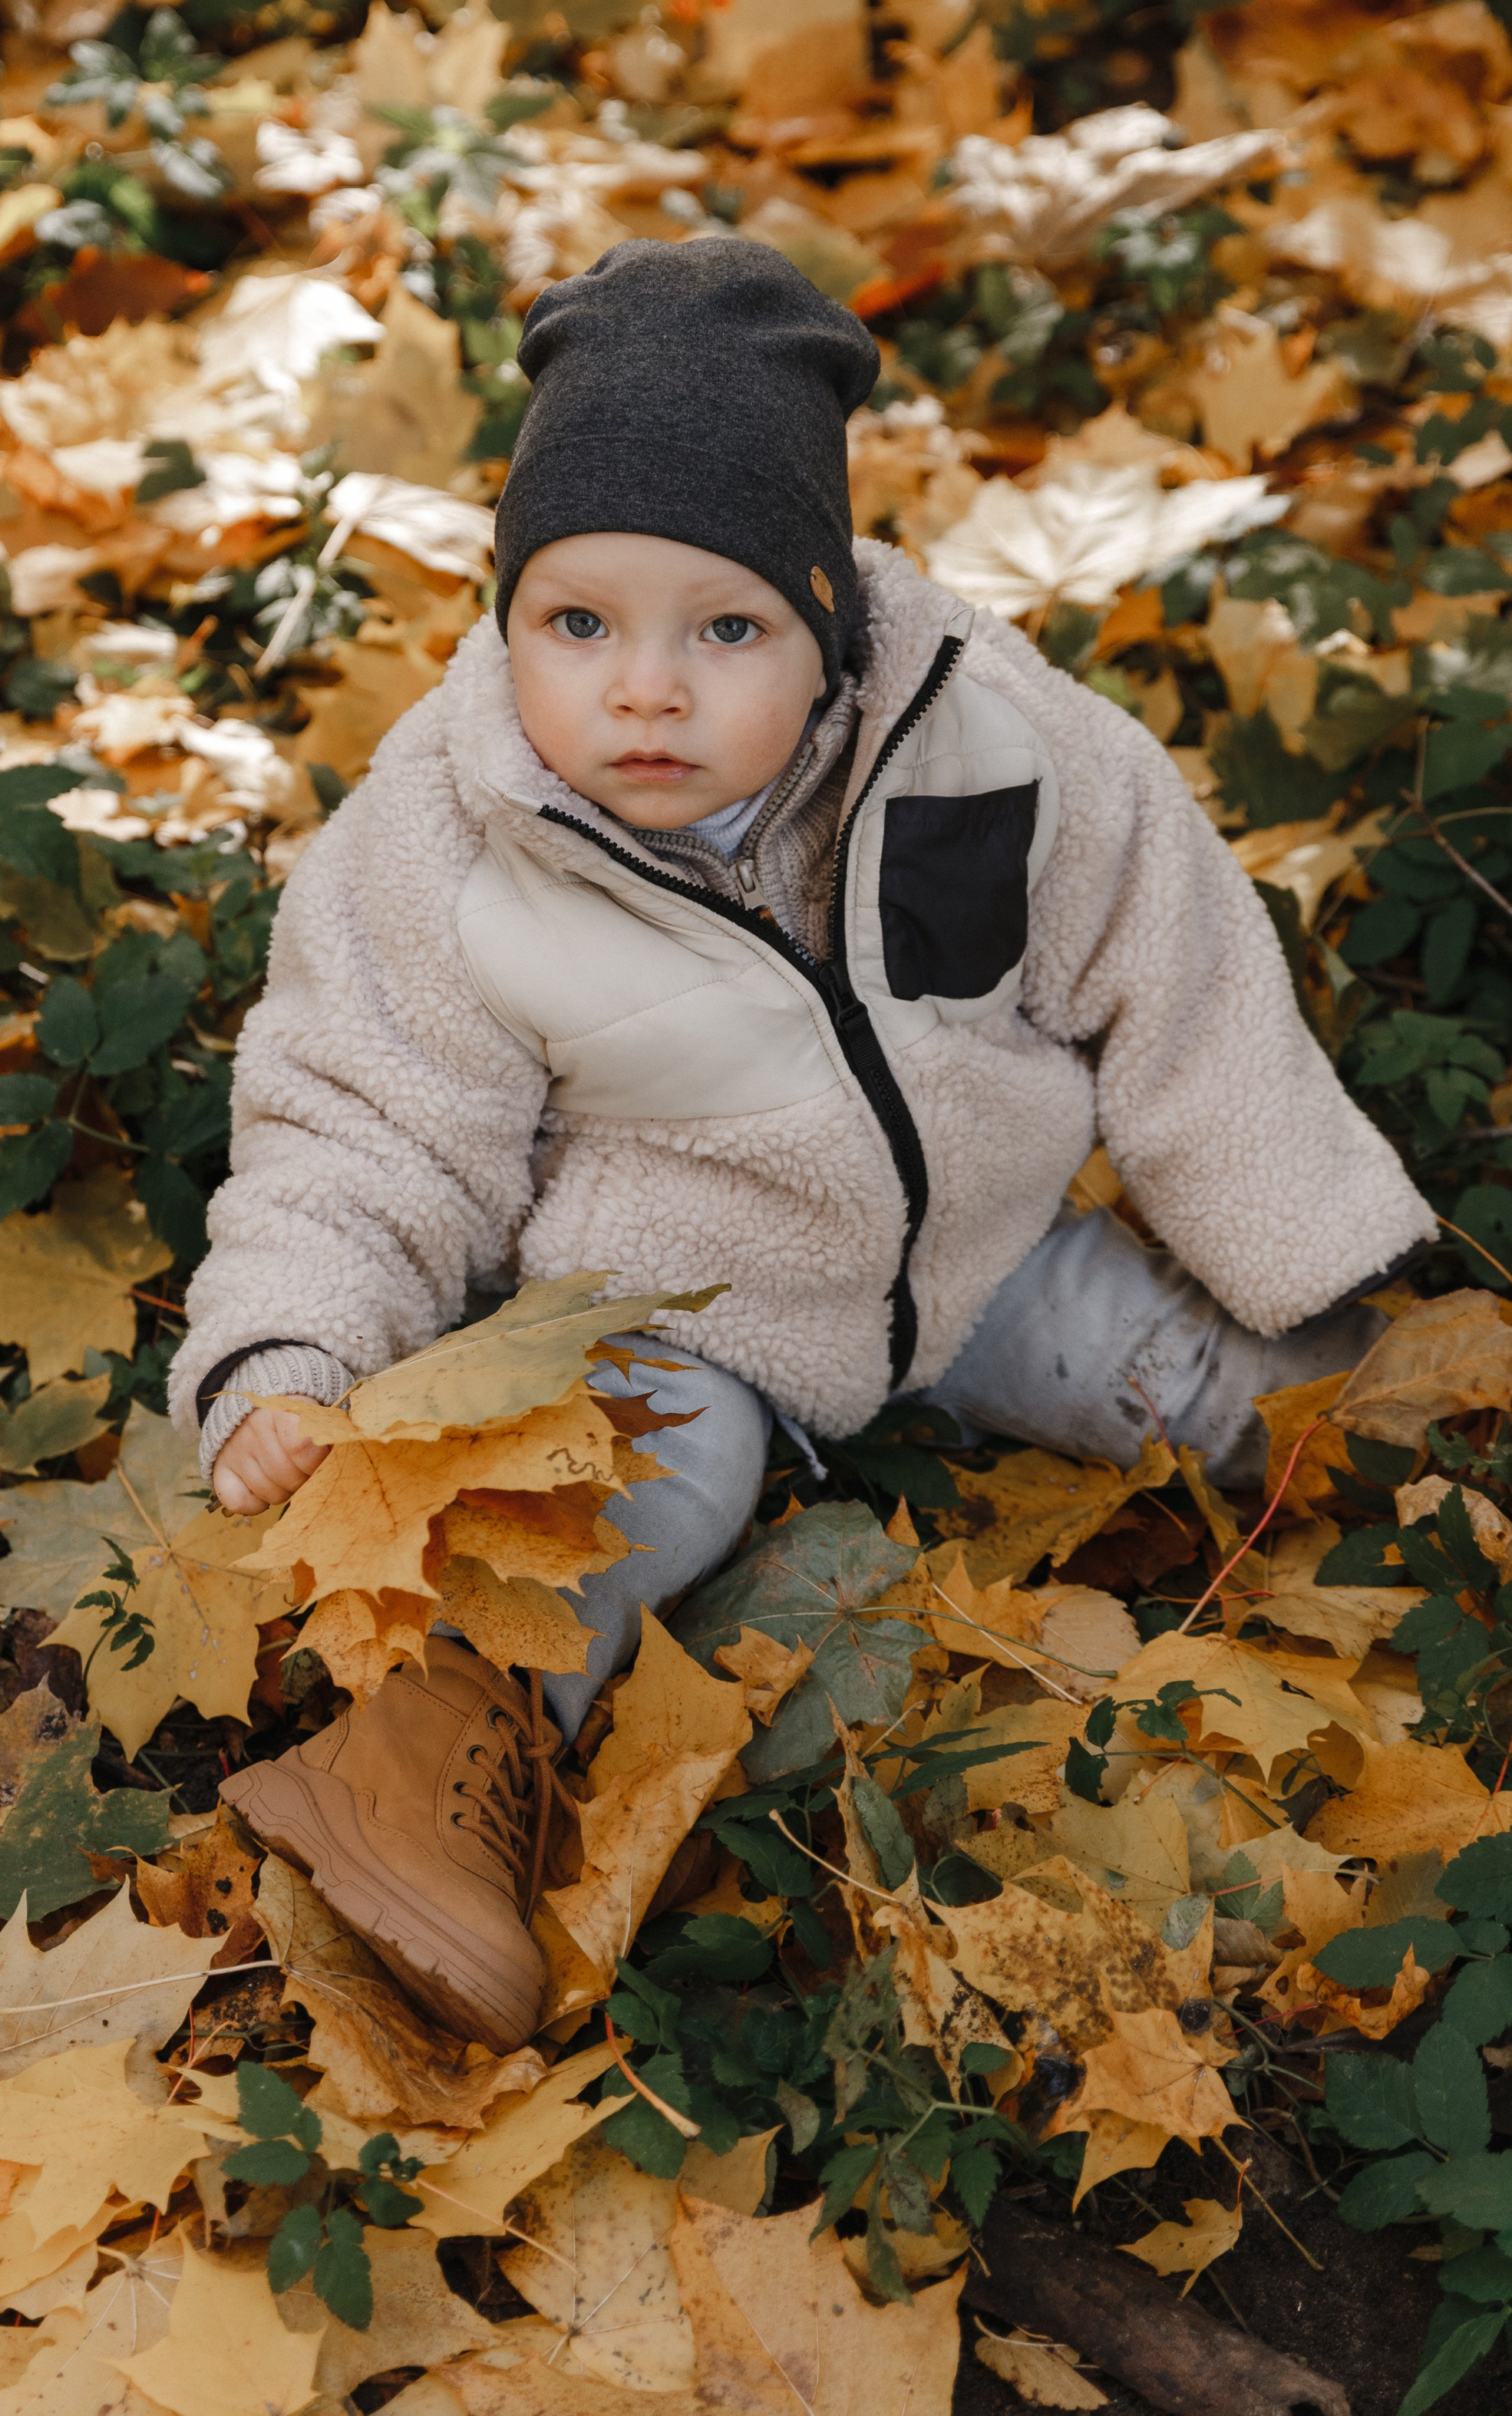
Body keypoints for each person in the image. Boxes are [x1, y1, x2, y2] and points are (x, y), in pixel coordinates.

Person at [174, 235, 1431, 2055]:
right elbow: (360, 1126)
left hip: (977, 1251)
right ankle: (430, 1748)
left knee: (1198, 1370)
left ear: (829, 621)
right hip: (686, 1302)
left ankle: (1452, 1430)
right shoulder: (447, 844)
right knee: (618, 1493)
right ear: (505, 615)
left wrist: (1306, 1236)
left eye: (727, 629)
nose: (646, 693)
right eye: (579, 623)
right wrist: (289, 1355)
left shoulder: (978, 739)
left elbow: (1180, 981)